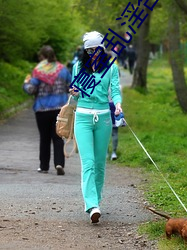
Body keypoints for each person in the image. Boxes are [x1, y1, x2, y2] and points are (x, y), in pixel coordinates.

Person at [69, 31, 122, 223]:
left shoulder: (111, 68)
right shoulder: (78, 67)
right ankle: (91, 205)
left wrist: (118, 104)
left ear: (102, 48)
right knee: (88, 163)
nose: (92, 53)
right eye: (88, 50)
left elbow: (115, 90)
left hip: (104, 118)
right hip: (82, 117)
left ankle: (96, 201)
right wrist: (74, 92)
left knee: (100, 164)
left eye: (95, 49)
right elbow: (75, 95)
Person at [23, 45, 71, 175]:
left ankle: (44, 167)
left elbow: (31, 90)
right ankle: (59, 163)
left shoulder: (38, 71)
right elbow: (70, 87)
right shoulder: (63, 70)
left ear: (42, 57)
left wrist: (26, 83)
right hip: (59, 109)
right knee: (58, 136)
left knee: (44, 138)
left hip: (42, 109)